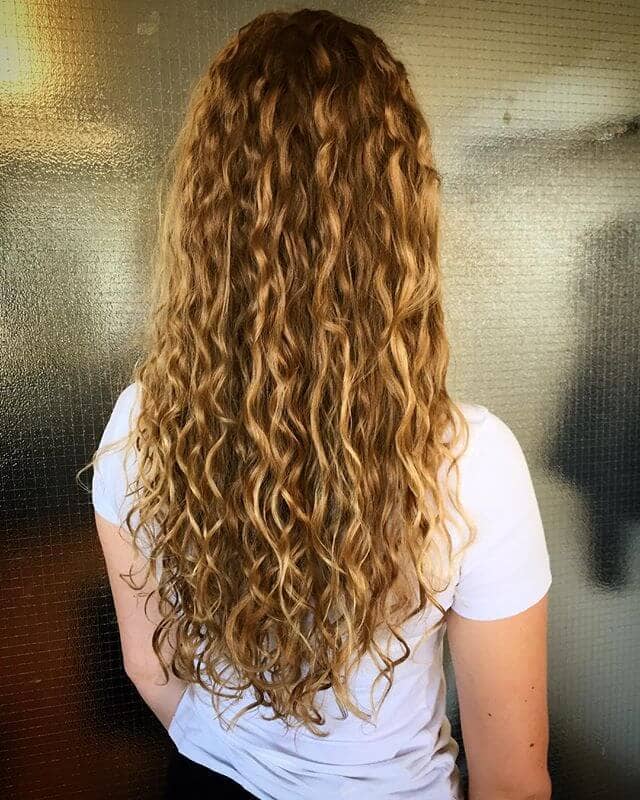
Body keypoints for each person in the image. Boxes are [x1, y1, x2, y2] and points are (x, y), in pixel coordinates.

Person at [83, 8, 553, 800]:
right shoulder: (473, 465)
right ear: (398, 217)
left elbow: (147, 665)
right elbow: (511, 779)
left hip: (205, 782)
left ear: (206, 219)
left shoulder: (139, 425)